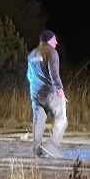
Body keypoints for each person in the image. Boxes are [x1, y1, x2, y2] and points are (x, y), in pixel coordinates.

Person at [27, 30, 68, 158]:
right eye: (54, 39)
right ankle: (52, 145)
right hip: (49, 91)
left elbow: (29, 75)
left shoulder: (32, 54)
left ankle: (37, 150)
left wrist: (34, 89)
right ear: (49, 40)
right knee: (61, 117)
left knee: (38, 121)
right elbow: (53, 72)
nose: (56, 41)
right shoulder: (51, 52)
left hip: (35, 92)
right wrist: (59, 88)